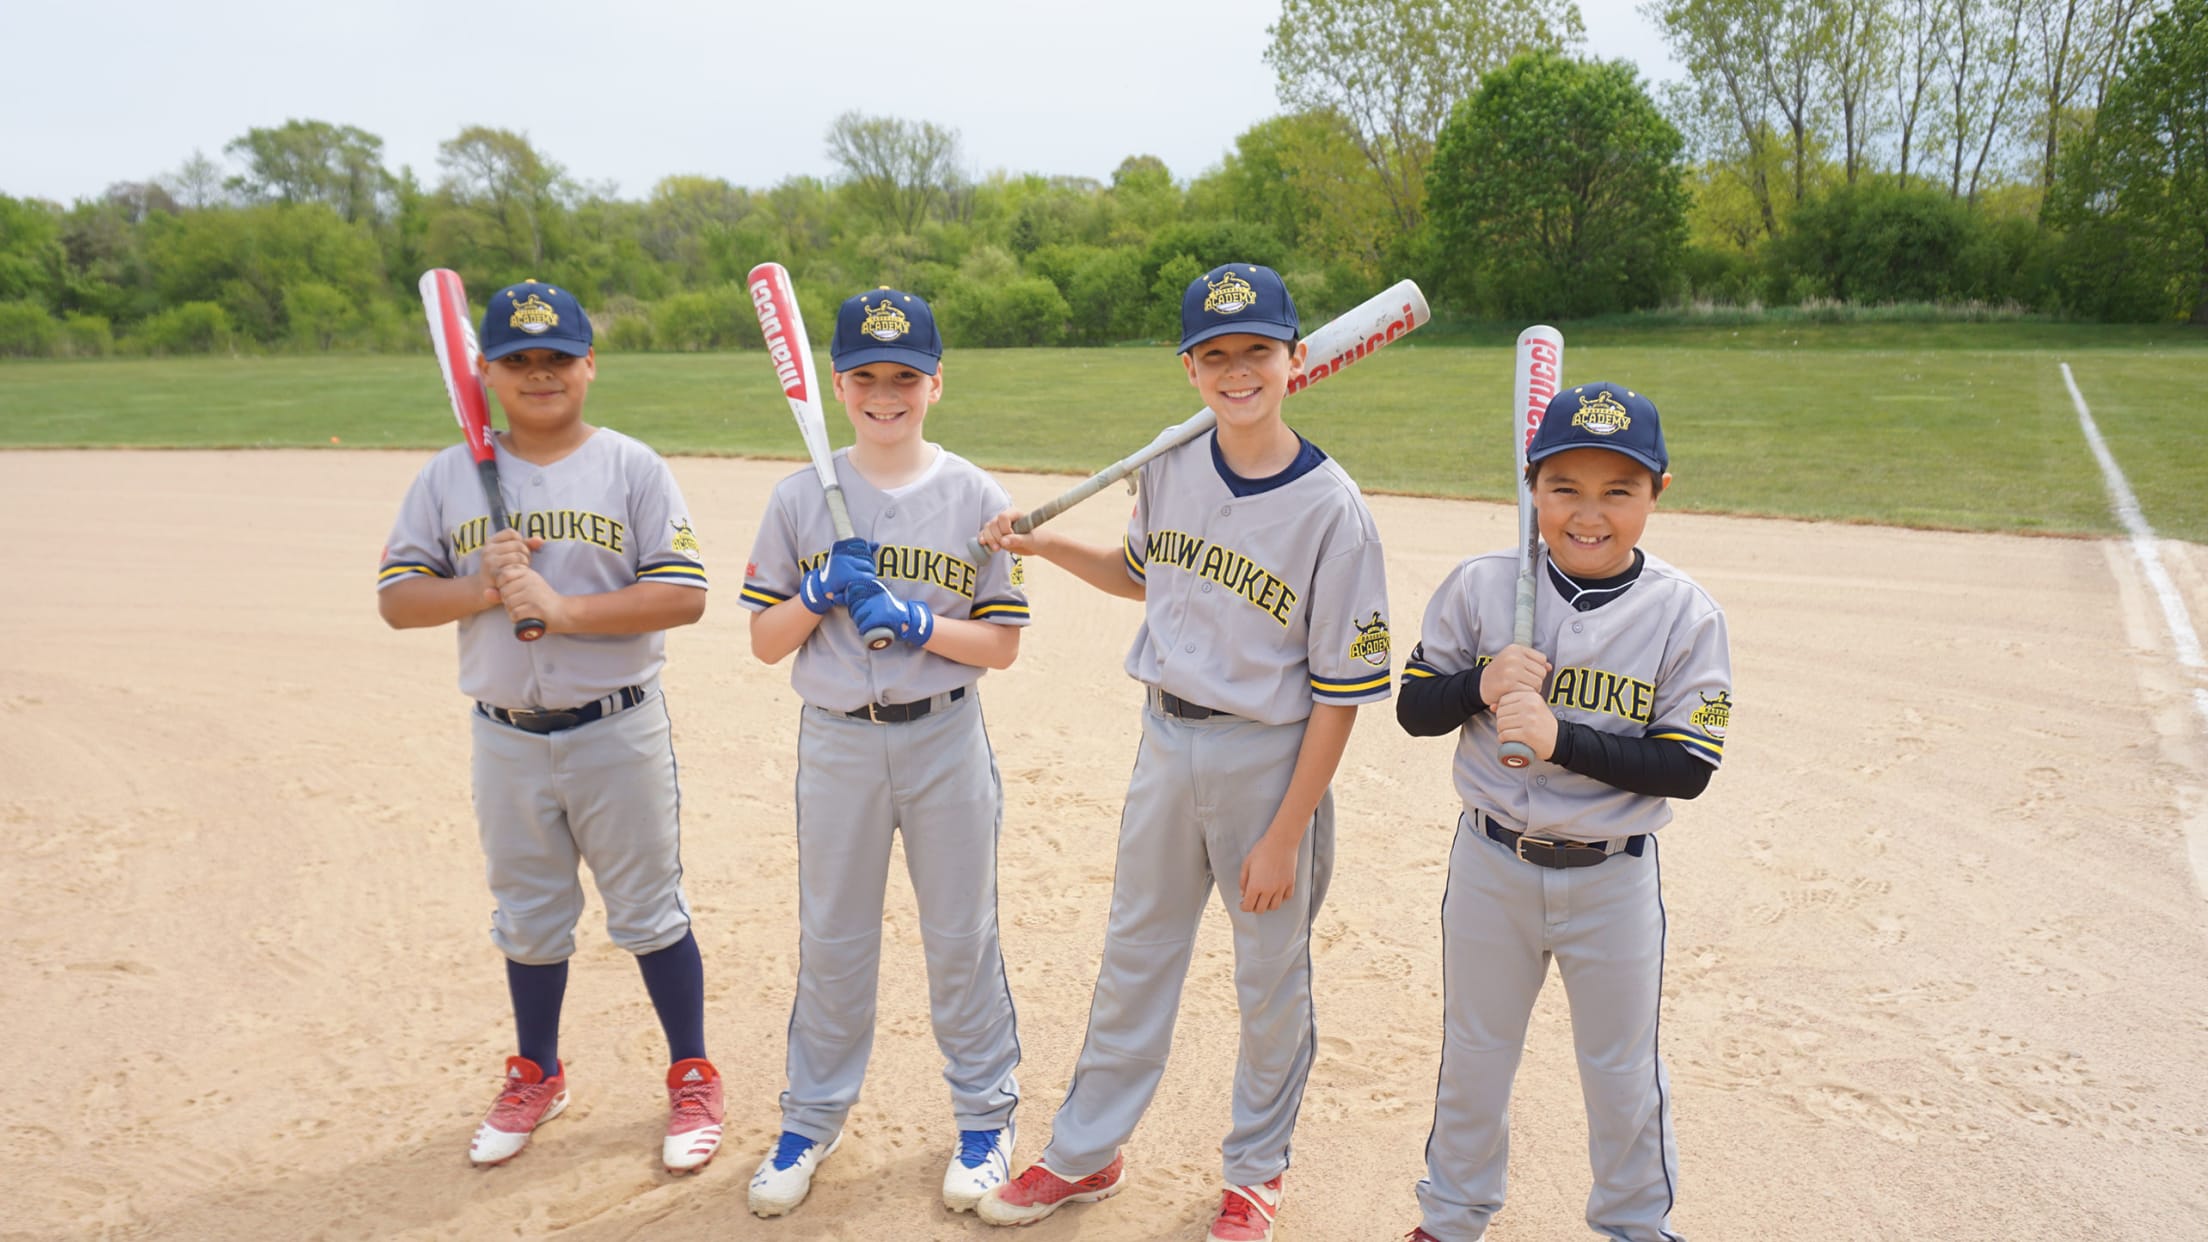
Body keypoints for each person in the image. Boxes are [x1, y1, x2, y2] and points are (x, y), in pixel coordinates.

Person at [974, 263, 1392, 1242]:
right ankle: (1085, 1153)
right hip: (1167, 743)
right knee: (1135, 957)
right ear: (1191, 368)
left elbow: (1340, 698)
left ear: (1296, 360)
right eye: (1216, 355)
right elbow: (1142, 574)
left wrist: (1286, 833)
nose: (1237, 371)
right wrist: (1043, 550)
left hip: (1269, 763)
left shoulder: (1334, 510)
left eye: (1257, 352)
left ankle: (1255, 1178)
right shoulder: (1171, 461)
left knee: (1269, 982)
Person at [375, 279, 721, 1172]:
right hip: (505, 734)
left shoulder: (632, 466)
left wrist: (561, 610)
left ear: (588, 366)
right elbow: (398, 600)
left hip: (618, 728)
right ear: (484, 371)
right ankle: (538, 1072)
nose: (539, 375)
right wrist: (482, 588)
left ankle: (691, 1073)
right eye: (518, 360)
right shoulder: (447, 478)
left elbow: (684, 595)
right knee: (528, 917)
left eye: (557, 358)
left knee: (649, 909)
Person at [1393, 383, 1731, 1242]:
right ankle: (1451, 1218)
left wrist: (1559, 737)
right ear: (1532, 489)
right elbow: (1414, 705)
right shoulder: (1483, 585)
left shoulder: (1685, 614)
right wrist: (1480, 682)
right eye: (1565, 488)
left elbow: (1687, 768)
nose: (1589, 513)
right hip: (1492, 864)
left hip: (1614, 877)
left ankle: (1634, 1226)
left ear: (1658, 492)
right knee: (1475, 1056)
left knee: (1622, 1072)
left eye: (1618, 490)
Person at [736, 286, 1030, 1218]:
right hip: (837, 745)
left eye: (906, 376)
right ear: (837, 383)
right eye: (867, 376)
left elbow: (1001, 645)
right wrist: (818, 591)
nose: (886, 393)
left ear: (936, 383)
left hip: (944, 734)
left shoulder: (976, 495)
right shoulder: (798, 498)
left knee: (960, 936)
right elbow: (763, 640)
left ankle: (986, 1118)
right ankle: (810, 1119)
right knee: (833, 937)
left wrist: (915, 619)